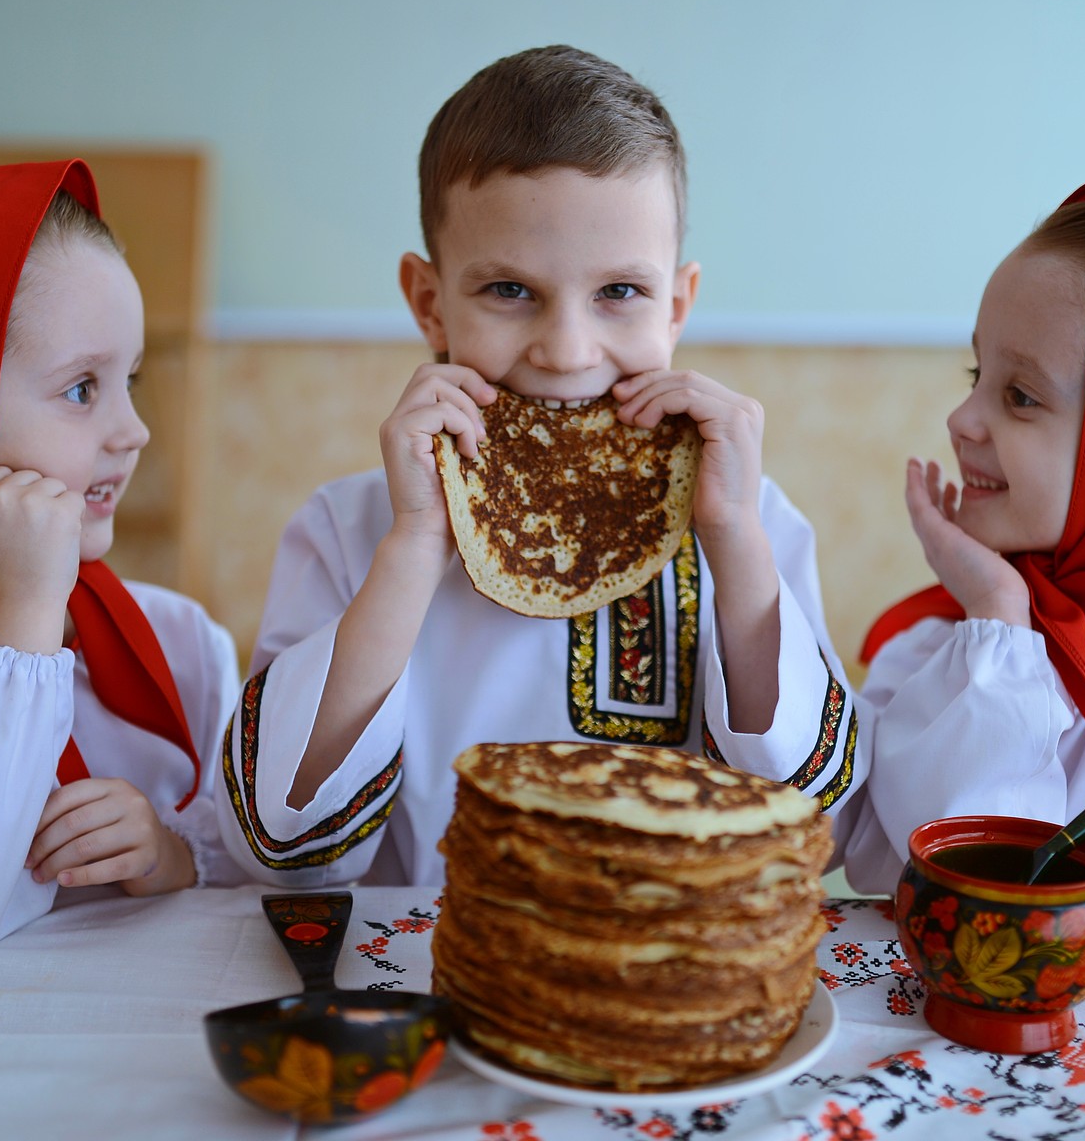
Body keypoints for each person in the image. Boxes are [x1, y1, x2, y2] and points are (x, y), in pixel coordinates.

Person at [216, 44, 864, 887]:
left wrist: (734, 539)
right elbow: (281, 848)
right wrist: (413, 548)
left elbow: (814, 825)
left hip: (676, 977)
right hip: (429, 975)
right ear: (428, 301)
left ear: (677, 305)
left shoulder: (752, 521)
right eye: (510, 290)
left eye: (619, 293)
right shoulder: (349, 528)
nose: (566, 351)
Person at [842, 182, 1085, 899]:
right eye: (976, 373)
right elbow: (952, 899)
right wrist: (995, 611)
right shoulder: (947, 657)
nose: (962, 418)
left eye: (1020, 395)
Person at [0, 160, 245, 945]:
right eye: (82, 389)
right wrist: (24, 609)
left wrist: (169, 853)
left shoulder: (183, 644)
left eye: (129, 378)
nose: (134, 431)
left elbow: (256, 868)